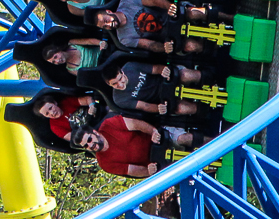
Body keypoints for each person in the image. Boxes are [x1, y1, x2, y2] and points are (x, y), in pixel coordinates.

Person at [71, 115, 205, 177]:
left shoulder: (109, 125)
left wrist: (153, 132)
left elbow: (135, 124)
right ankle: (214, 167)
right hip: (159, 161)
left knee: (183, 139)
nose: (91, 145)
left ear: (94, 132)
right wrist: (148, 171)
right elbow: (131, 170)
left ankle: (216, 141)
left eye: (89, 139)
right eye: (86, 146)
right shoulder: (104, 163)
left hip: (160, 139)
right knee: (187, 168)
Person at [88, 0, 222, 54]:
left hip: (171, 15)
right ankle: (221, 46)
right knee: (191, 46)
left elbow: (155, 1)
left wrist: (170, 6)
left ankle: (227, 16)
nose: (109, 24)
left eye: (106, 20)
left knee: (193, 13)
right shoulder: (123, 38)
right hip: (169, 36)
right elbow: (149, 44)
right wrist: (165, 48)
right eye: (105, 26)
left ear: (108, 12)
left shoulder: (127, 1)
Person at [101, 61, 211, 115]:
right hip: (162, 98)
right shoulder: (119, 99)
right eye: (115, 84)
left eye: (120, 79)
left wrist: (164, 70)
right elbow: (144, 106)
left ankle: (210, 78)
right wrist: (158, 108)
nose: (120, 84)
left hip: (165, 80)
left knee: (185, 75)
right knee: (182, 108)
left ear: (122, 72)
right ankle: (209, 110)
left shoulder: (130, 66)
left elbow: (154, 69)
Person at [32, 94, 98, 141]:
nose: (52, 113)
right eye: (47, 113)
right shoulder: (55, 126)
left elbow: (87, 99)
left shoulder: (66, 102)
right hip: (91, 133)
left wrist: (92, 106)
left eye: (51, 108)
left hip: (97, 116)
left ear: (55, 103)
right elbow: (73, 138)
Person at [42, 38, 108, 74]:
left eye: (55, 57)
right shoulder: (71, 69)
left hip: (104, 51)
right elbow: (87, 75)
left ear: (58, 50)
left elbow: (88, 41)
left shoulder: (72, 43)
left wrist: (100, 43)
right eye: (54, 62)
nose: (57, 61)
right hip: (103, 66)